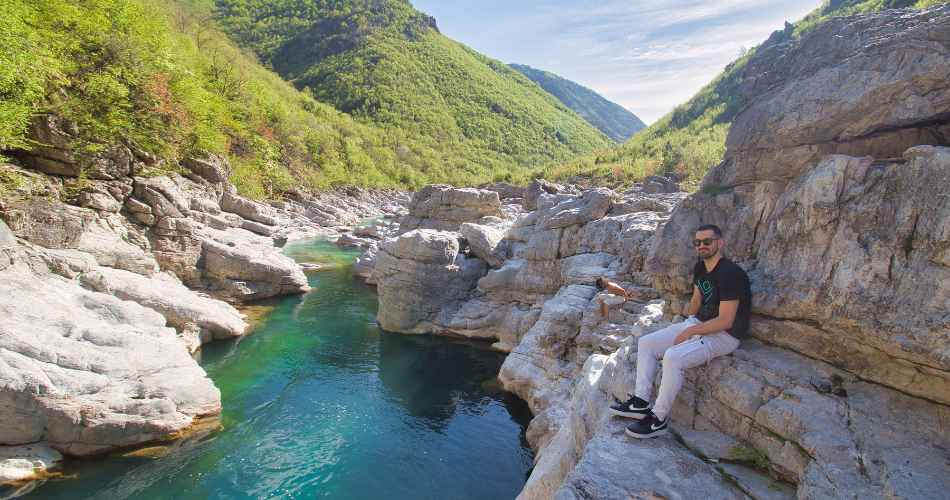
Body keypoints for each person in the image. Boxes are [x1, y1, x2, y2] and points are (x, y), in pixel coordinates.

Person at [609, 224, 751, 438]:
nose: (702, 246)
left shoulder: (731, 274)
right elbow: (697, 299)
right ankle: (640, 403)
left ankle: (658, 419)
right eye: (697, 242)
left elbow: (726, 320)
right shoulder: (701, 268)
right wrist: (685, 321)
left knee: (672, 357)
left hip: (724, 335)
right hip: (698, 323)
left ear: (719, 243)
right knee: (647, 343)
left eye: (707, 241)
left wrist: (689, 332)